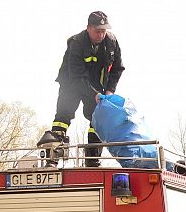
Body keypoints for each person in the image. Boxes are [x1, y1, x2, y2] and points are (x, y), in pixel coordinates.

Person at [37, 10, 125, 167]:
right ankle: (53, 158)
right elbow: (77, 77)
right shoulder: (76, 43)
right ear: (88, 28)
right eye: (97, 31)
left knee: (97, 117)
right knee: (63, 116)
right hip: (71, 82)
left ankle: (92, 159)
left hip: (96, 86)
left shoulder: (111, 42)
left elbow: (118, 68)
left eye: (104, 31)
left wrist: (109, 91)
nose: (101, 35)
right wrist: (94, 94)